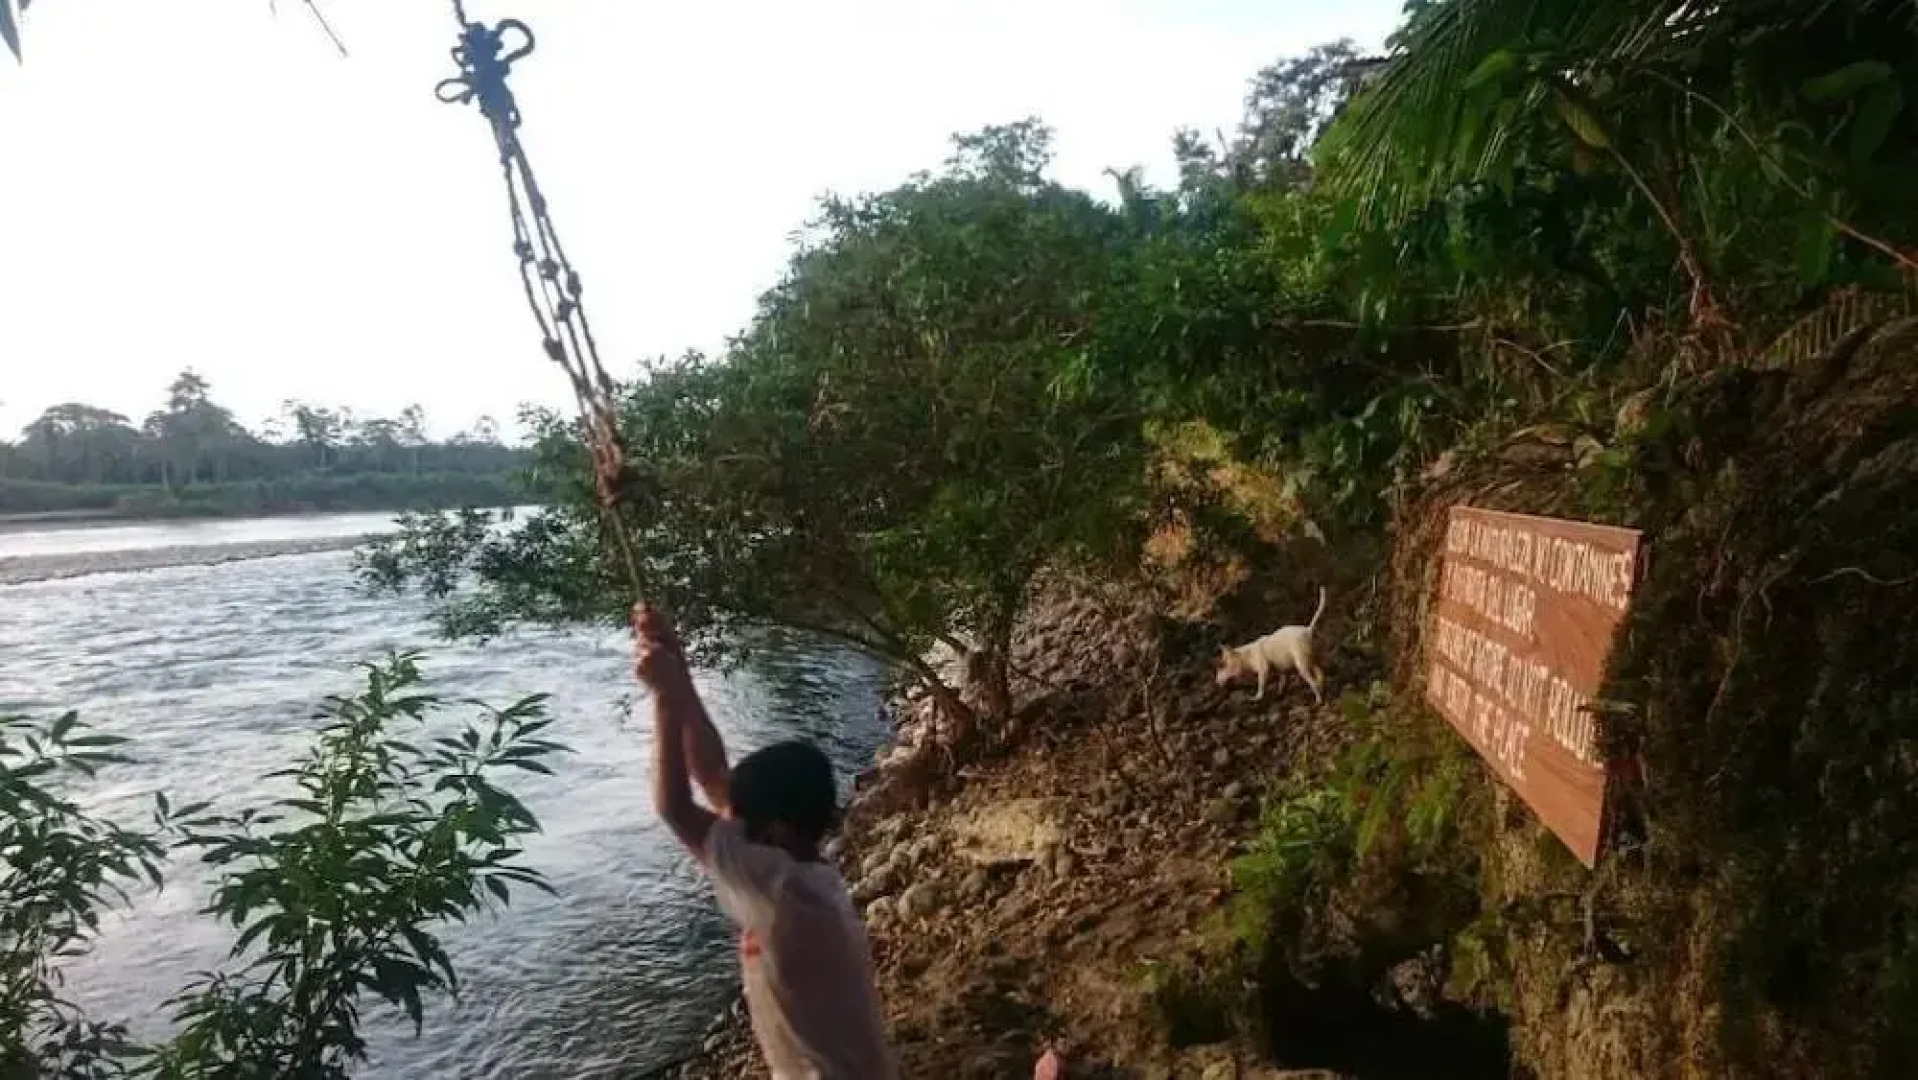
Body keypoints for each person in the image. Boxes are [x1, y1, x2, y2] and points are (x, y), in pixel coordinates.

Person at [631, 603, 897, 1080]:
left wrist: (666, 700)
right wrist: (678, 669)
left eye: (739, 817)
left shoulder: (779, 893)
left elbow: (673, 807)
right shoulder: (802, 870)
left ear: (774, 828)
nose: (727, 818)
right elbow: (712, 775)